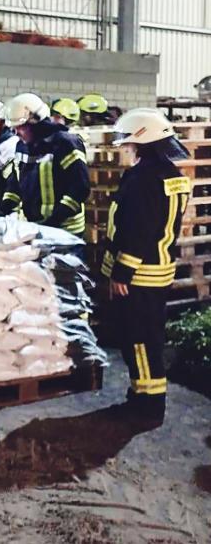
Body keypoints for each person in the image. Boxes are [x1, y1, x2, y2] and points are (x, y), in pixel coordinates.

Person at [101, 108, 191, 424]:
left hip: (139, 274)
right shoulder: (173, 177)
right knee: (149, 338)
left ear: (142, 141)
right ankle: (143, 396)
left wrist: (122, 272)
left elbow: (137, 230)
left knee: (139, 340)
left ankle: (147, 406)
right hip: (159, 270)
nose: (124, 149)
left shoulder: (143, 180)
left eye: (127, 143)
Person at [2, 93, 90, 239]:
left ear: (35, 123)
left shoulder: (65, 143)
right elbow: (15, 183)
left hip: (65, 231)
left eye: (20, 127)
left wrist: (54, 221)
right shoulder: (21, 146)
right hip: (35, 228)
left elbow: (80, 188)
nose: (16, 133)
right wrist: (4, 209)